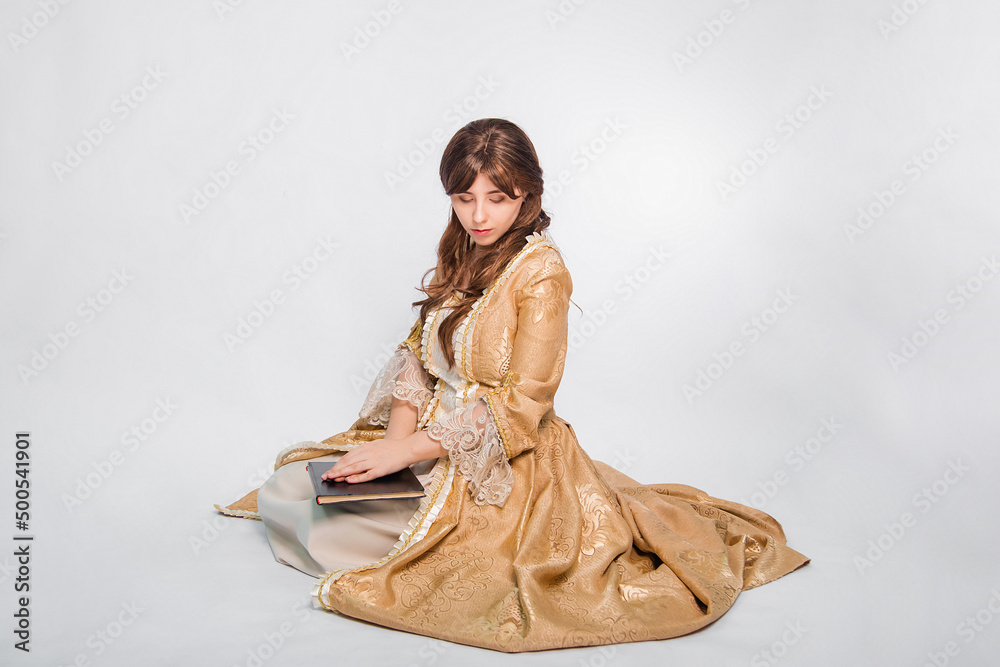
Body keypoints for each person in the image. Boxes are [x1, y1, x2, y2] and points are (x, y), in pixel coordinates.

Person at [216, 117, 810, 653]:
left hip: (505, 461)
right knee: (288, 490)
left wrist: (407, 452)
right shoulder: (462, 252)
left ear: (526, 194)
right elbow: (417, 358)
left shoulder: (543, 274)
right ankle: (389, 522)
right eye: (464, 198)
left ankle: (407, 541)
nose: (479, 216)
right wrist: (393, 451)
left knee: (331, 527)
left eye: (497, 199)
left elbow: (523, 404)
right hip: (426, 443)